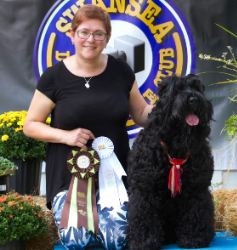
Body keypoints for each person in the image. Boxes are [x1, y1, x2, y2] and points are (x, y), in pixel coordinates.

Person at [24, 4, 152, 250]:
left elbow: (140, 114)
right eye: (84, 32)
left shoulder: (121, 72)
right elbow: (31, 125)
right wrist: (66, 136)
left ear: (107, 39)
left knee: (117, 240)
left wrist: (168, 109)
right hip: (68, 179)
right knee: (78, 241)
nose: (90, 39)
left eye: (98, 34)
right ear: (71, 35)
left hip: (115, 179)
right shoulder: (54, 77)